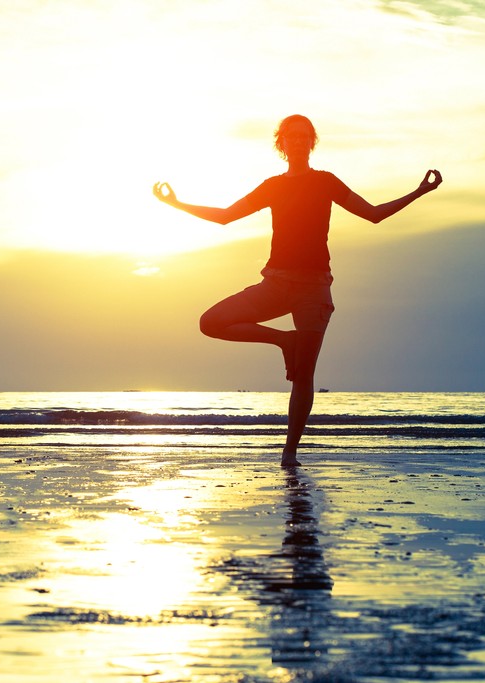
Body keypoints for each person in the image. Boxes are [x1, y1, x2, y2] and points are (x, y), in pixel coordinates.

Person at [153, 114, 442, 467]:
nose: (299, 141)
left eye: (305, 136)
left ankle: (289, 452)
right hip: (275, 283)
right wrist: (176, 204)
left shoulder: (326, 182)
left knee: (304, 375)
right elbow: (225, 216)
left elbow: (374, 214)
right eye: (292, 136)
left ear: (312, 142)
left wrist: (420, 191)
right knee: (211, 322)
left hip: (314, 290)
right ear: (282, 143)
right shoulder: (273, 186)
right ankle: (283, 341)